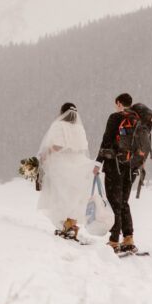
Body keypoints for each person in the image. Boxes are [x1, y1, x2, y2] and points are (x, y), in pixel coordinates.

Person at [37, 102, 95, 239]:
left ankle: (67, 225)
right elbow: (83, 147)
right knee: (75, 196)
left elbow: (58, 145)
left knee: (61, 195)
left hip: (62, 164)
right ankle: (71, 224)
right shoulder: (79, 128)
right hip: (80, 164)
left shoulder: (58, 125)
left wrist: (46, 153)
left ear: (62, 112)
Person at [93, 93, 139, 252]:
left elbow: (106, 140)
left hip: (114, 165)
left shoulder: (115, 117)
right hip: (131, 167)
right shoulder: (137, 120)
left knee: (114, 202)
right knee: (124, 202)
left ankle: (114, 241)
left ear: (119, 103)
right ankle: (128, 238)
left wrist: (98, 162)